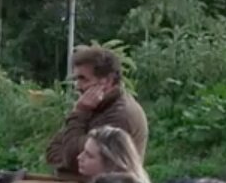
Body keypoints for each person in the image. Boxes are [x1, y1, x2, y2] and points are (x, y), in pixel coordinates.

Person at [45, 44, 149, 174]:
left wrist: (79, 112)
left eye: (83, 79)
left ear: (107, 81)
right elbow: (52, 151)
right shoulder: (95, 107)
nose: (77, 86)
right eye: (77, 79)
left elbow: (73, 159)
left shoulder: (120, 115)